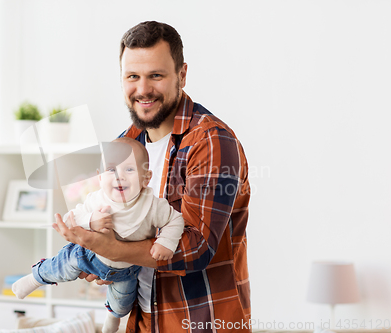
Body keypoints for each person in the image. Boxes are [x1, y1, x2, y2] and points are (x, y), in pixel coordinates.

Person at [54, 21, 251, 332]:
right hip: (142, 319)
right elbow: (119, 224)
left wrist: (113, 250)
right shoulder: (127, 141)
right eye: (133, 76)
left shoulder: (211, 141)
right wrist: (99, 256)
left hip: (199, 322)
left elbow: (196, 247)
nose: (143, 89)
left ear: (182, 75)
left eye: (155, 76)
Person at [12, 137, 185, 333]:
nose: (119, 176)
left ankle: (111, 318)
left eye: (129, 169)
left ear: (146, 178)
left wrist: (166, 243)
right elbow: (72, 218)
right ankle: (35, 278)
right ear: (100, 177)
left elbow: (176, 220)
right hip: (89, 256)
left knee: (122, 303)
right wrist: (90, 220)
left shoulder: (152, 206)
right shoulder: (97, 200)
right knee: (62, 267)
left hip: (127, 269)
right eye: (111, 170)